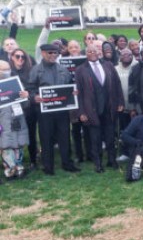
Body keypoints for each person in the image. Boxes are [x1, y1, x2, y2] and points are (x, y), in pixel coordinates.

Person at [27, 43, 80, 175]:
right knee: (46, 138)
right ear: (43, 53)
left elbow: (70, 85)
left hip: (62, 110)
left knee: (64, 136)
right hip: (45, 110)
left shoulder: (63, 69)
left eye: (55, 53)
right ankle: (48, 166)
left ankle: (67, 163)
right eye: (50, 53)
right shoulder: (36, 70)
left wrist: (73, 92)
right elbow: (29, 88)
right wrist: (34, 97)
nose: (53, 55)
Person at [75, 44, 125, 173]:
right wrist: (81, 112)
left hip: (109, 108)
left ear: (99, 52)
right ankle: (98, 163)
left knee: (110, 136)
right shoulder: (81, 70)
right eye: (90, 51)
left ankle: (111, 160)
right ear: (86, 54)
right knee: (95, 139)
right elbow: (78, 92)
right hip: (91, 109)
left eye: (95, 50)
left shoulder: (108, 65)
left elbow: (117, 84)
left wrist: (120, 101)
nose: (93, 53)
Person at [0, 60, 30, 181]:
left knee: (18, 144)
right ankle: (9, 171)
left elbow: (26, 105)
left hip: (18, 119)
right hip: (3, 121)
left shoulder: (15, 84)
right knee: (6, 146)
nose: (6, 72)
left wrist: (26, 97)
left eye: (8, 69)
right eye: (3, 70)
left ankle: (19, 168)